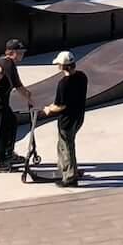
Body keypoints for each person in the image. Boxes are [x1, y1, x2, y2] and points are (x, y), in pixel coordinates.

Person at [39, 51, 87, 187]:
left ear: (62, 66)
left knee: (66, 147)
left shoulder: (63, 84)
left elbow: (60, 106)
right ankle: (65, 169)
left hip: (67, 120)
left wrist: (48, 109)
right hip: (79, 117)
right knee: (64, 145)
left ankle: (70, 177)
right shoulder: (82, 77)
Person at [0, 40, 28, 172]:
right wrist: (29, 98)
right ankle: (0, 161)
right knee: (2, 129)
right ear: (12, 53)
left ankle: (9, 153)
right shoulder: (8, 64)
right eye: (20, 53)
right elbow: (18, 86)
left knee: (11, 122)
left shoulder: (1, 60)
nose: (22, 55)